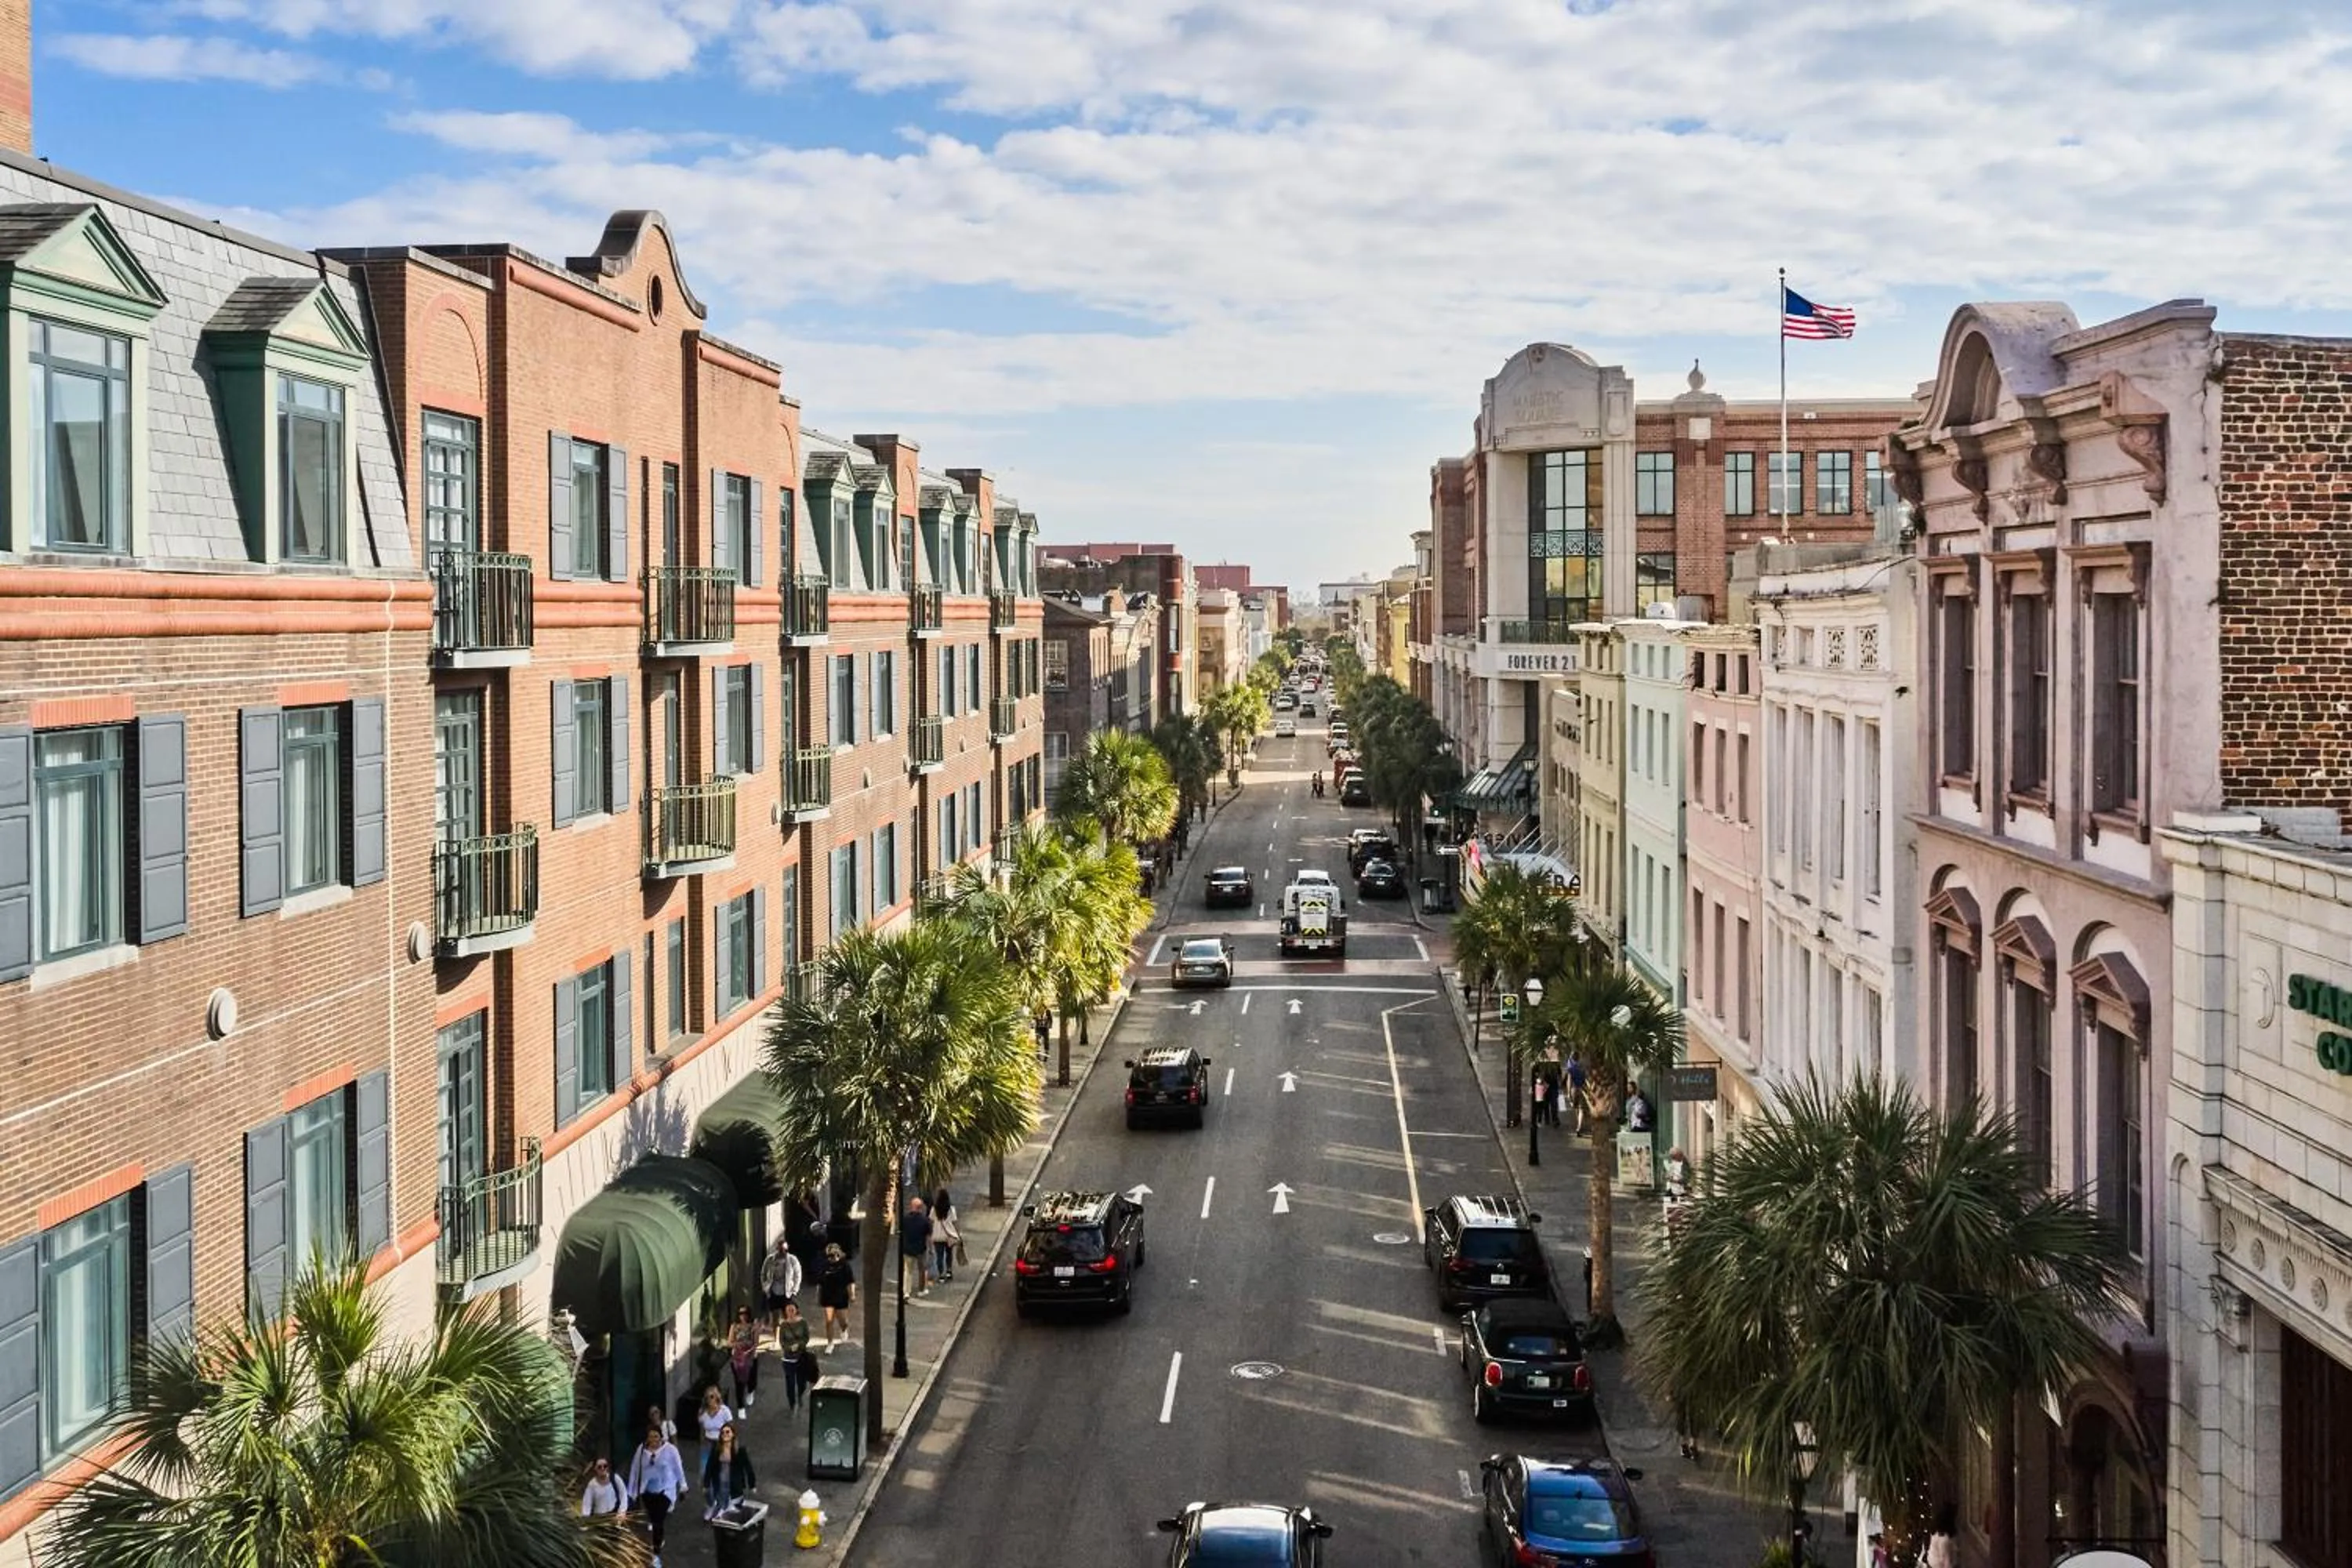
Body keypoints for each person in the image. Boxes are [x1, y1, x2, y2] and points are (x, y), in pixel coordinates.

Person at [625, 1422, 684, 1568]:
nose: (654, 1439)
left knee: (658, 1521)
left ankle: (656, 1553)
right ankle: (659, 1537)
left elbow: (678, 1468)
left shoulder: (670, 1450)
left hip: (665, 1491)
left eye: (656, 1436)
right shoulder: (641, 1450)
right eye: (651, 1437)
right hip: (648, 1492)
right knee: (653, 1518)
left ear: (661, 1437)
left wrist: (683, 1486)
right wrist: (631, 1492)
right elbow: (635, 1470)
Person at [701, 1421, 755, 1521]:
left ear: (733, 1434)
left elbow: (748, 1468)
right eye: (723, 1433)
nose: (725, 1435)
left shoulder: (740, 1450)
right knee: (721, 1496)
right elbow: (709, 1467)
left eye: (727, 1432)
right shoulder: (716, 1449)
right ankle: (718, 1509)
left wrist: (752, 1485)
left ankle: (725, 1512)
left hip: (734, 1481)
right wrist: (706, 1484)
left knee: (732, 1501)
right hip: (720, 1479)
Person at [693, 1386, 734, 1490]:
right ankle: (709, 1495)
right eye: (707, 1397)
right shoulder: (703, 1412)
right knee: (704, 1470)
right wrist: (701, 1444)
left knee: (723, 1473)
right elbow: (702, 1430)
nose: (709, 1400)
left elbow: (731, 1428)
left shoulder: (725, 1411)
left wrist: (730, 1445)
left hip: (721, 1443)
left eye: (712, 1396)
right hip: (708, 1443)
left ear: (717, 1397)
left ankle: (725, 1497)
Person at [760, 1236, 802, 1334]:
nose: (783, 1252)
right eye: (781, 1249)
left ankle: (789, 1337)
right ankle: (776, 1339)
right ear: (777, 1249)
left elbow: (798, 1275)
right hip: (773, 1290)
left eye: (785, 1250)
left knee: (789, 1316)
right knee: (775, 1317)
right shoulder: (770, 1260)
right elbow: (763, 1273)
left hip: (787, 1291)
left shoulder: (792, 1260)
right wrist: (765, 1286)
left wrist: (795, 1290)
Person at [775, 1301, 813, 1411]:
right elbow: (782, 1342)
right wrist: (789, 1348)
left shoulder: (803, 1323)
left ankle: (800, 1395)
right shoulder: (784, 1325)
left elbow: (806, 1337)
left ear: (796, 1310)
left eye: (792, 1309)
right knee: (790, 1383)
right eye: (788, 1310)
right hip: (788, 1359)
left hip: (801, 1357)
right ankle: (792, 1403)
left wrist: (799, 1345)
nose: (791, 1312)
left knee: (802, 1381)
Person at [818, 1242, 855, 1347]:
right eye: (828, 1256)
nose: (831, 1259)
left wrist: (852, 1294)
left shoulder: (845, 1266)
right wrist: (819, 1296)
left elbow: (850, 1281)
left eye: (833, 1256)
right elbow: (820, 1282)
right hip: (828, 1296)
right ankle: (830, 1343)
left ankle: (844, 1329)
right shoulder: (825, 1266)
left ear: (838, 1255)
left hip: (841, 1296)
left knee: (842, 1320)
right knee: (829, 1321)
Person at [726, 1305, 760, 1413]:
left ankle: (750, 1391)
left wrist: (750, 1350)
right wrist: (737, 1345)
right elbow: (729, 1342)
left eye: (745, 1313)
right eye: (741, 1314)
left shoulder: (753, 1326)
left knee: (752, 1380)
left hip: (750, 1356)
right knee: (739, 1383)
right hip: (738, 1358)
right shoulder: (734, 1326)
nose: (743, 1316)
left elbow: (756, 1342)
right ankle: (741, 1407)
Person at [901, 1195, 935, 1295]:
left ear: (912, 1206)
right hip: (921, 1249)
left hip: (907, 1249)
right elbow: (929, 1236)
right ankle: (922, 1289)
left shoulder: (905, 1219)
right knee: (922, 1270)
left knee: (908, 1271)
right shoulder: (925, 1220)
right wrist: (931, 1249)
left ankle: (906, 1291)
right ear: (921, 1208)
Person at [579, 1454, 629, 1519]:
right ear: (595, 1468)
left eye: (605, 1466)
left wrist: (622, 1511)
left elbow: (623, 1494)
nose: (603, 1468)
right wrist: (586, 1519)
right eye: (599, 1467)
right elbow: (587, 1504)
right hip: (599, 1518)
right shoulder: (592, 1485)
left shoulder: (615, 1478)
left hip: (614, 1516)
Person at [931, 1186, 960, 1284]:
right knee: (949, 1254)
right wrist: (958, 1233)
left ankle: (941, 1275)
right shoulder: (951, 1209)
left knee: (939, 1256)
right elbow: (955, 1222)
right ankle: (949, 1270)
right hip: (949, 1236)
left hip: (938, 1235)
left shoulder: (934, 1209)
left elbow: (931, 1221)